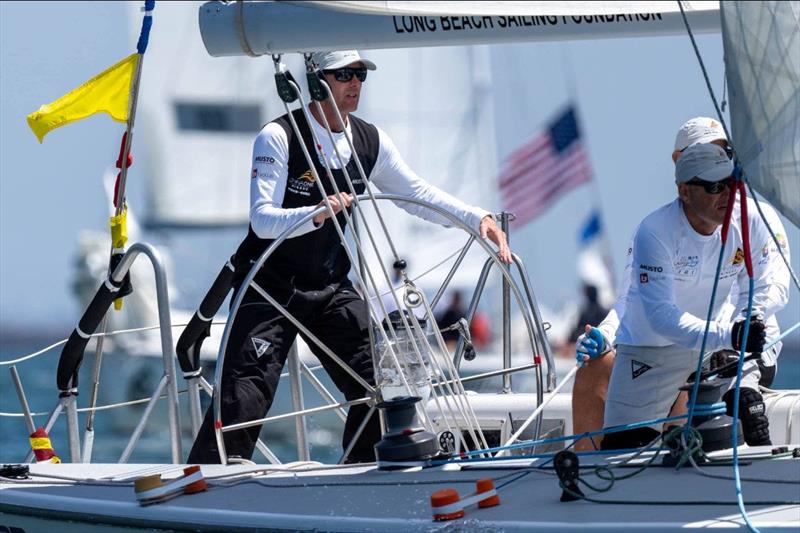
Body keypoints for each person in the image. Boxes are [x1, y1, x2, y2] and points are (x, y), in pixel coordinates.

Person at [187, 50, 511, 464]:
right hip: (268, 289)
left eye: (360, 74)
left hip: (329, 287)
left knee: (382, 383)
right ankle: (207, 483)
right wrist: (317, 213)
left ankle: (357, 474)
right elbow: (263, 220)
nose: (355, 83)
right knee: (243, 397)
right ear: (318, 81)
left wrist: (476, 217)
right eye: (344, 75)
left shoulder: (369, 141)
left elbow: (418, 194)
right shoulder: (279, 135)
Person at [574, 139, 790, 450]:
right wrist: (729, 333)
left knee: (744, 404)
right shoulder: (655, 232)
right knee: (624, 448)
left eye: (730, 183)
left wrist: (746, 322)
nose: (726, 194)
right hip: (653, 348)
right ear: (684, 192)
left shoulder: (750, 219)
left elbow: (768, 284)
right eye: (714, 186)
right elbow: (662, 316)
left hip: (715, 345)